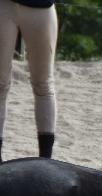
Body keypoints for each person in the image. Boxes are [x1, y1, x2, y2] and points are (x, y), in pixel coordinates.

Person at [0, 0, 58, 163]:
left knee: (43, 83)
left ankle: (46, 158)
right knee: (0, 85)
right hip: (4, 5)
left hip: (40, 7)